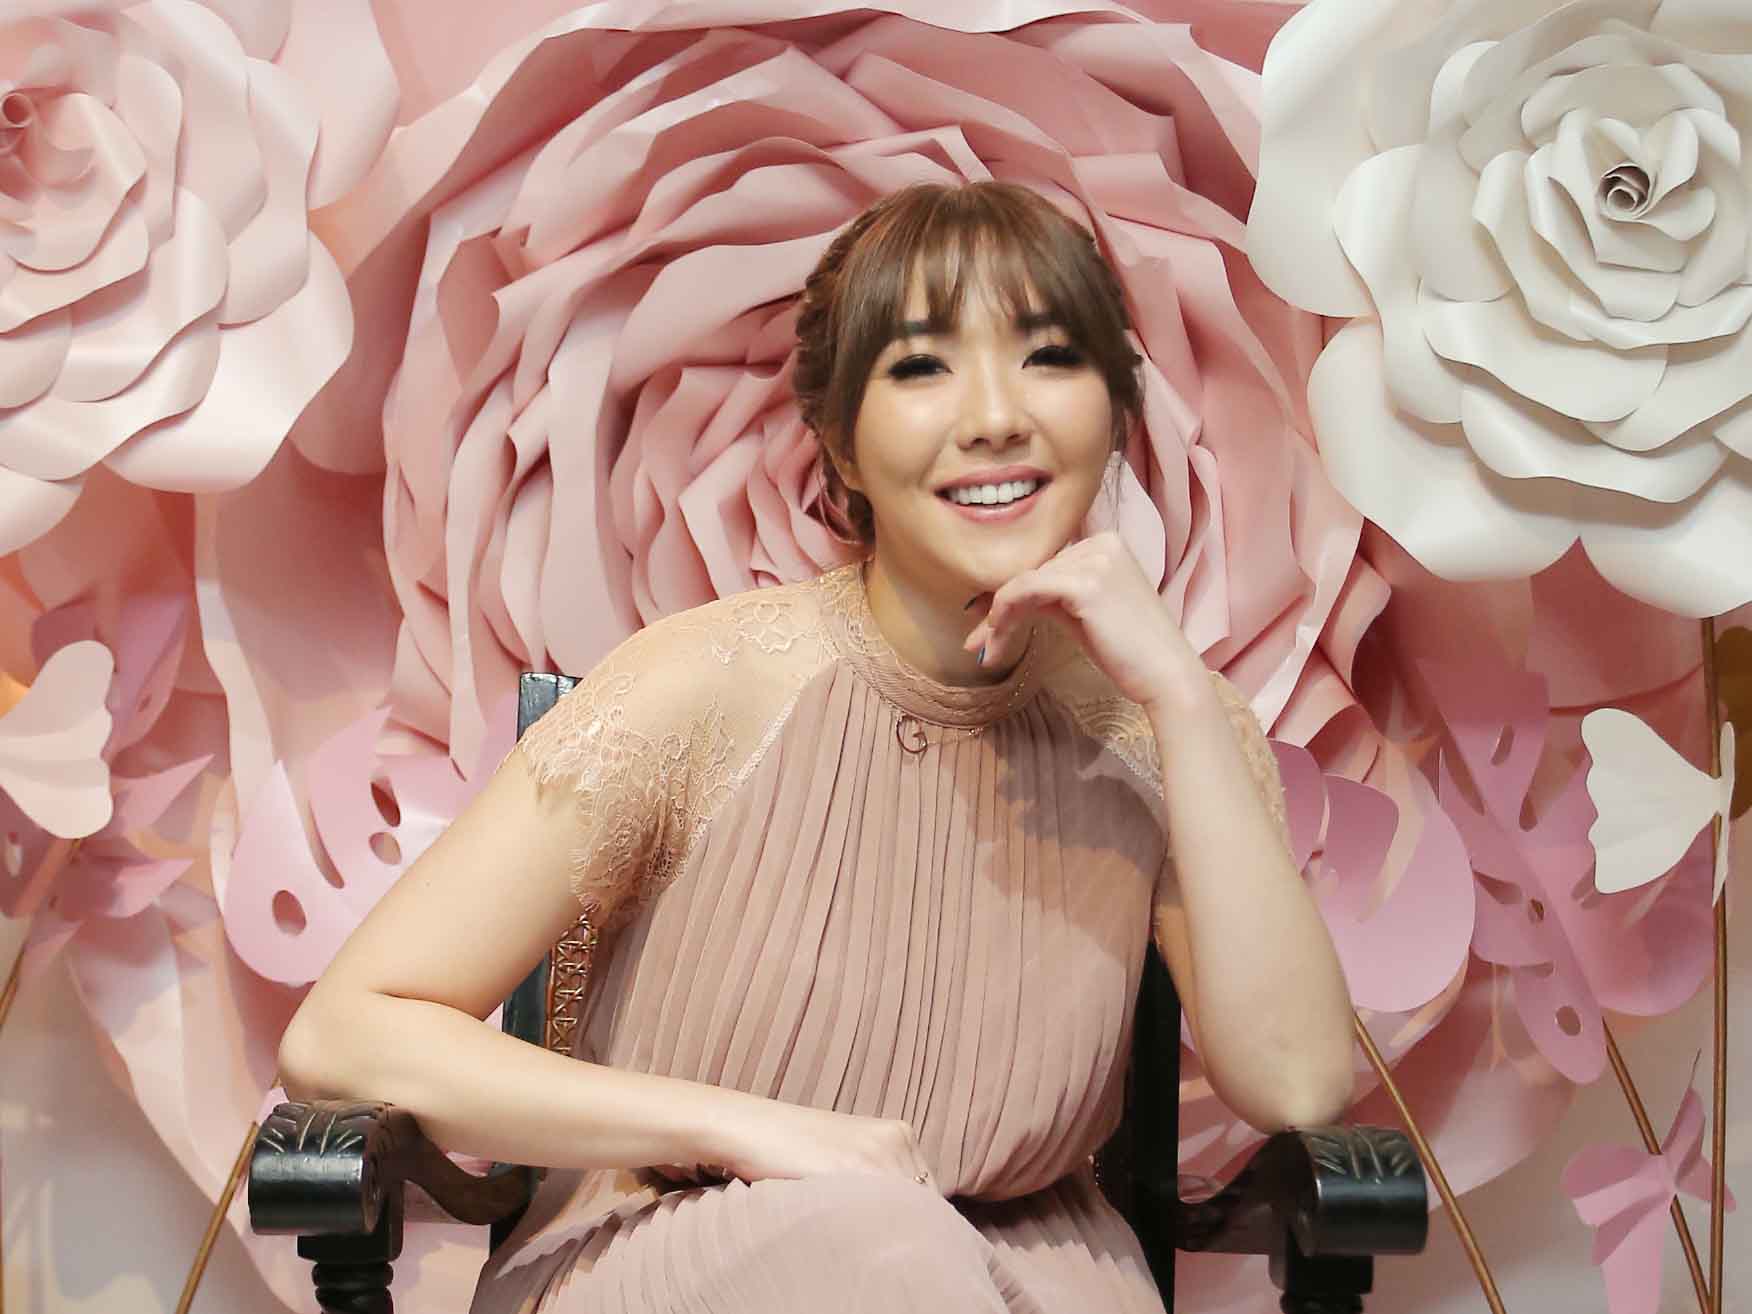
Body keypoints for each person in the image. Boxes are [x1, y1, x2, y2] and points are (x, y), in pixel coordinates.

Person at [276, 180, 1355, 1313]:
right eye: (923, 367)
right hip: (681, 1251)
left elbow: (1297, 1084)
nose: (996, 415)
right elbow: (347, 1032)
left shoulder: (1169, 730)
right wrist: (738, 1127)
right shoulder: (702, 689)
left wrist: (1180, 697)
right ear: (839, 443)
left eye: (1049, 356)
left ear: (1117, 410)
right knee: (883, 1253)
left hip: (1034, 1273)